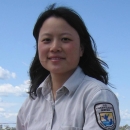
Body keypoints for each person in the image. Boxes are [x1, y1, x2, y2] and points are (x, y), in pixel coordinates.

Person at [16, 3, 120, 130]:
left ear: (81, 48)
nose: (54, 47)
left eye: (65, 39)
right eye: (47, 40)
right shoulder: (30, 103)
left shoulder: (97, 95)